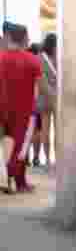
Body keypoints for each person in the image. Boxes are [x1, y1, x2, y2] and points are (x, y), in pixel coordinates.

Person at [0, 25, 42, 194]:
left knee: (5, 145)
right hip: (25, 112)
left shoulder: (1, 57)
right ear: (23, 38)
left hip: (3, 109)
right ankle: (19, 182)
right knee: (21, 147)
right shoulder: (32, 60)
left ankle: (7, 180)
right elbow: (42, 86)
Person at [31, 33, 57, 169]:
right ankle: (57, 159)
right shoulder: (58, 57)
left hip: (43, 98)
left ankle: (46, 159)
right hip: (56, 98)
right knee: (58, 130)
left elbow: (37, 78)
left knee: (45, 130)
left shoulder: (38, 58)